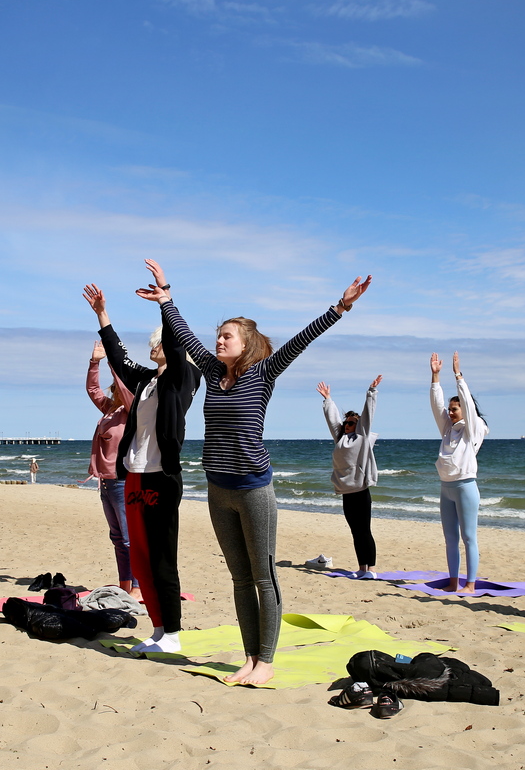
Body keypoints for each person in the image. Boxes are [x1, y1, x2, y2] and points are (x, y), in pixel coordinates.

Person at [142, 259, 371, 686]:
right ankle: (248, 658)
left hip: (253, 490)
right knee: (239, 577)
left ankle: (266, 660)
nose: (218, 341)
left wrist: (340, 307)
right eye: (218, 336)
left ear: (244, 343)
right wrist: (166, 297)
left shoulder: (263, 373)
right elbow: (184, 332)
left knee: (264, 575)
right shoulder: (212, 372)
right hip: (217, 489)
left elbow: (302, 340)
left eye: (226, 336)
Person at [83, 282, 202, 655]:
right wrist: (102, 313)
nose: (152, 347)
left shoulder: (182, 380)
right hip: (132, 473)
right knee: (141, 557)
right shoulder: (148, 382)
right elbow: (119, 359)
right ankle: (159, 628)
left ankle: (174, 633)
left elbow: (177, 341)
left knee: (163, 556)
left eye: (157, 342)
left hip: (161, 478)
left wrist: (164, 300)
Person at [430, 351, 488, 594]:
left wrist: (458, 376)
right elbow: (436, 406)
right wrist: (435, 377)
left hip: (465, 486)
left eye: (456, 409)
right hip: (446, 487)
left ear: (466, 409)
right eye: (451, 409)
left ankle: (470, 585)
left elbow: (468, 406)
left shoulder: (473, 430)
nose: (451, 412)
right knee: (450, 539)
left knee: (468, 537)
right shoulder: (448, 429)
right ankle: (453, 582)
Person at [86, 341, 138, 595]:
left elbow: (124, 385)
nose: (115, 388)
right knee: (117, 538)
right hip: (106, 482)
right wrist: (94, 361)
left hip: (122, 481)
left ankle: (139, 587)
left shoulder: (131, 410)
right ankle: (124, 585)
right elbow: (93, 389)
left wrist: (113, 361)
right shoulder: (110, 409)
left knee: (129, 539)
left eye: (119, 385)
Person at [317, 376, 382, 579]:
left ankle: (370, 570)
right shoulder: (340, 438)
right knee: (355, 532)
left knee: (365, 531)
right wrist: (328, 399)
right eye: (346, 422)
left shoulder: (362, 436)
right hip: (347, 492)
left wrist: (371, 391)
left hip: (361, 491)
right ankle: (361, 568)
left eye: (352, 423)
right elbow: (332, 419)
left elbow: (368, 413)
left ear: (359, 425)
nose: (347, 425)